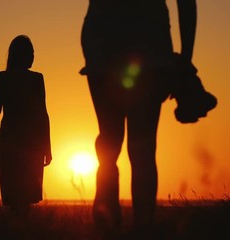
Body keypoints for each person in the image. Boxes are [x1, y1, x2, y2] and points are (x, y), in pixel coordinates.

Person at [80, 0, 216, 237]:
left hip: (103, 37)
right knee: (142, 147)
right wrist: (186, 57)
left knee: (110, 138)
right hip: (148, 39)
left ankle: (109, 214)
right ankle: (142, 227)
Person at [0, 35, 52, 215]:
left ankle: (17, 231)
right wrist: (47, 147)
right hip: (27, 141)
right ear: (22, 55)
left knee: (17, 195)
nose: (33, 56)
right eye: (30, 52)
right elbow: (42, 115)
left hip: (11, 139)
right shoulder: (35, 79)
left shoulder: (2, 78)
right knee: (24, 195)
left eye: (33, 53)